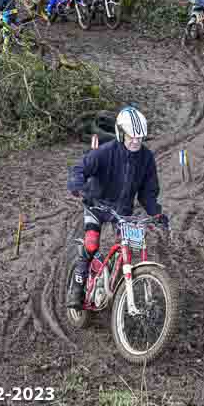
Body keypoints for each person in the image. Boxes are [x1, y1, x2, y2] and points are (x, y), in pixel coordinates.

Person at [65, 107, 168, 309]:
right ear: (121, 133)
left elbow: (148, 192)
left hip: (122, 211)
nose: (136, 141)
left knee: (126, 248)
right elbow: (80, 169)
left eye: (140, 138)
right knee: (92, 244)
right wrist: (78, 186)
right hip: (96, 204)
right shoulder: (105, 152)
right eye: (132, 137)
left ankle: (116, 285)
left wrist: (156, 212)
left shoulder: (146, 159)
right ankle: (76, 288)